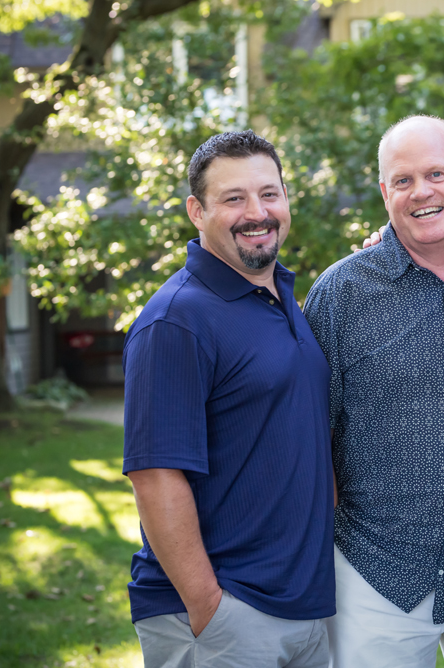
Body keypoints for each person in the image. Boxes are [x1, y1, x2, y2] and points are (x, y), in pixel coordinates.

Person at [302, 115, 444, 668]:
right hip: (375, 573)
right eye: (402, 181)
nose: (421, 192)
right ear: (385, 193)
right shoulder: (340, 294)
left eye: (436, 173)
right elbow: (312, 434)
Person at [122, 131, 334, 668]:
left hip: (304, 605)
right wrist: (209, 608)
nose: (256, 212)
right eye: (233, 198)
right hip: (228, 613)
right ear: (197, 210)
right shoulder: (177, 320)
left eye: (269, 194)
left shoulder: (281, 299)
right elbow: (155, 475)